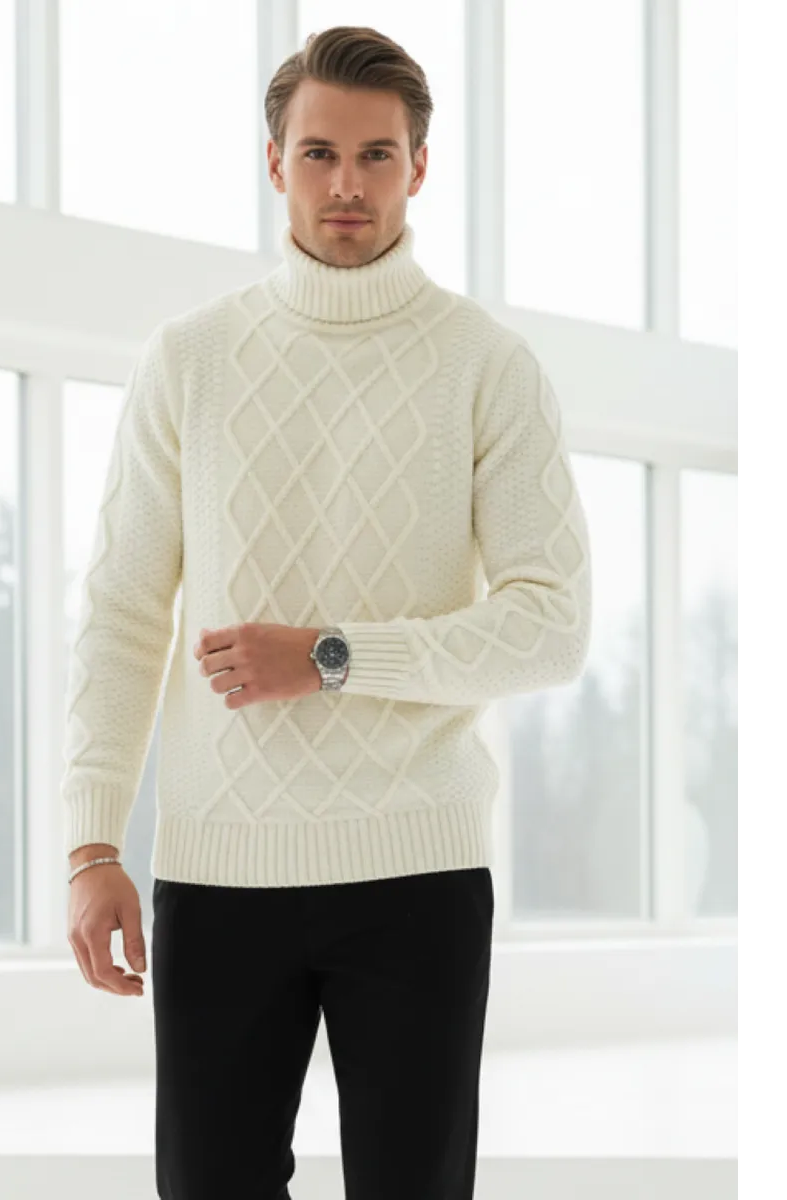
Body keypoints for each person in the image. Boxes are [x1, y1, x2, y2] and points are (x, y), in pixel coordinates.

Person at [62, 23, 592, 1200]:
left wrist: (333, 658)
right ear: (274, 163)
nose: (347, 183)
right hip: (219, 872)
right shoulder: (189, 360)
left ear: (419, 166)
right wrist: (93, 844)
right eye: (319, 153)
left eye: (375, 155)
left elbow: (552, 623)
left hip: (418, 872)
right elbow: (123, 610)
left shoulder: (487, 365)